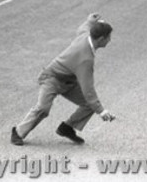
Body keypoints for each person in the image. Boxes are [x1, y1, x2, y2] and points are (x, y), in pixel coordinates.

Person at [11, 13, 116, 146]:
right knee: (43, 108)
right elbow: (88, 90)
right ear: (101, 39)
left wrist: (91, 20)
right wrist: (101, 111)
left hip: (69, 82)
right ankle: (17, 132)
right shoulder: (85, 60)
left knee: (89, 105)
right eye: (109, 37)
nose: (110, 40)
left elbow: (84, 27)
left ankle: (67, 128)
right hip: (52, 78)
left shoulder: (86, 35)